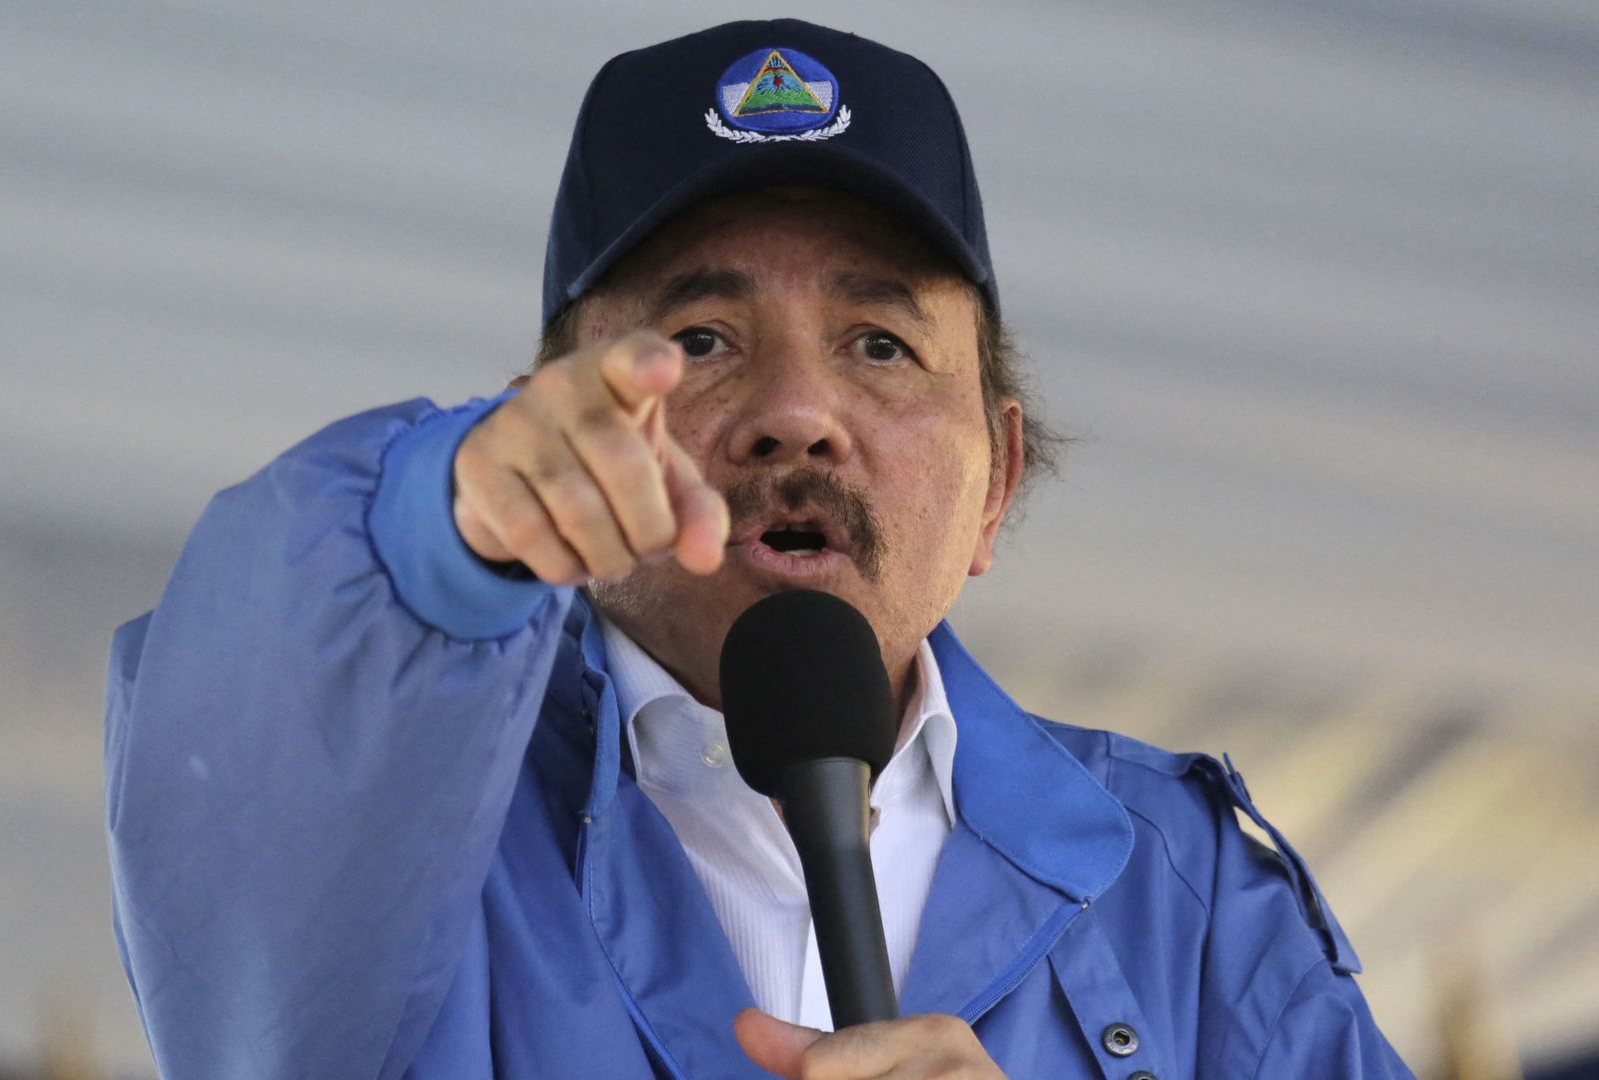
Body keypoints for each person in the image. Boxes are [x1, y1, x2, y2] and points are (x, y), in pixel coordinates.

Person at [104, 19, 1414, 1079]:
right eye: (704, 341)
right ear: (557, 432)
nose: (797, 415)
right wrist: (436, 527)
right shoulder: (405, 829)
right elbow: (254, 743)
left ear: (997, 482)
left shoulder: (1180, 897)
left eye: (880, 345)